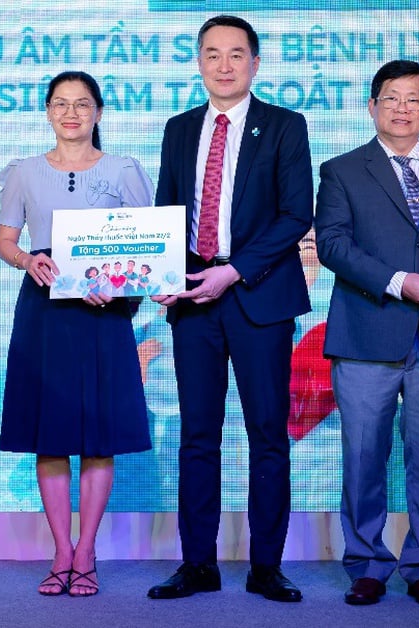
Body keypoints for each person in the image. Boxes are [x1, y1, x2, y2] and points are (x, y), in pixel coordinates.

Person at [146, 14, 313, 603]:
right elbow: (167, 210)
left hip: (259, 299)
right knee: (198, 435)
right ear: (199, 62)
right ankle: (198, 565)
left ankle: (266, 566)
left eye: (236, 55)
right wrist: (161, 274)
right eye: (212, 54)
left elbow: (297, 215)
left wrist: (234, 271)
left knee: (268, 434)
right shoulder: (178, 127)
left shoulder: (285, 126)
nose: (224, 65)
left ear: (255, 63)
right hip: (193, 300)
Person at [314, 59, 419, 607]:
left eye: (414, 99)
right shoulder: (341, 170)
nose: (403, 108)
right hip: (367, 333)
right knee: (364, 455)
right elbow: (334, 245)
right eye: (392, 98)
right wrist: (397, 282)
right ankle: (367, 562)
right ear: (372, 106)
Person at [0, 70, 156, 598]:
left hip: (103, 314)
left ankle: (87, 550)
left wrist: (117, 283)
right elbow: (6, 239)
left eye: (82, 105)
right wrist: (27, 260)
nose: (71, 114)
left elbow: (148, 244)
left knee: (97, 436)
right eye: (61, 104)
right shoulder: (23, 172)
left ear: (99, 113)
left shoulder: (123, 168)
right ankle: (60, 549)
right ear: (47, 111)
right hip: (45, 314)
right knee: (51, 433)